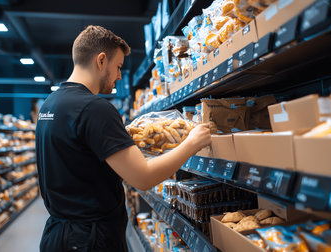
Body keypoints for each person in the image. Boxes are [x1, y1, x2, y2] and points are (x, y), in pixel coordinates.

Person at [36, 25, 211, 252]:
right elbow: (143, 178)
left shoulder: (49, 105)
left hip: (57, 236)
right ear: (101, 60)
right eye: (118, 66)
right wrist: (192, 143)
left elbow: (77, 157)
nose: (119, 75)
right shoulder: (95, 108)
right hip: (90, 240)